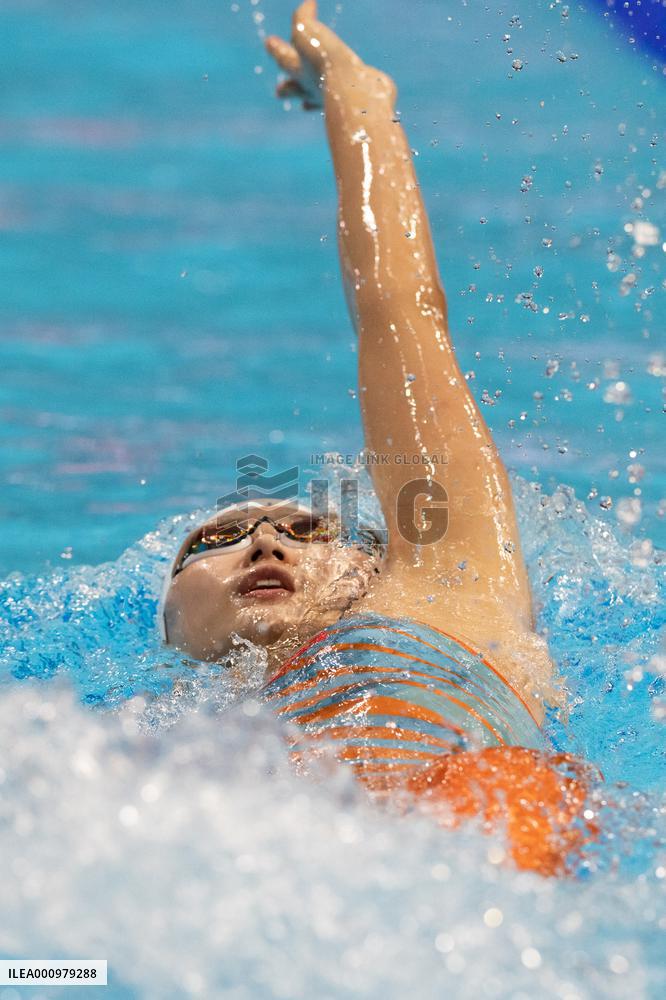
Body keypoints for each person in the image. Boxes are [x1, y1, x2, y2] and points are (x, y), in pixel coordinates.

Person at [162, 1, 598, 876]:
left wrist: (357, 102)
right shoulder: (151, 748)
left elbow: (397, 308)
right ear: (169, 628)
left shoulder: (442, 586)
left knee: (511, 784)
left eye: (311, 527)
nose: (266, 537)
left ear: (373, 562)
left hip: (476, 824)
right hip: (287, 872)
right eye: (211, 541)